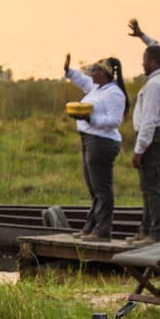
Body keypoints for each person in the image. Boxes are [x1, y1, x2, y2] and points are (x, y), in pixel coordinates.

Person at [63, 53, 127, 241]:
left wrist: (90, 118)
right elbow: (82, 81)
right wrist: (68, 71)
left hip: (102, 142)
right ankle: (91, 227)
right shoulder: (97, 88)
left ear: (104, 73)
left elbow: (115, 121)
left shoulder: (114, 93)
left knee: (102, 188)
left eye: (95, 70)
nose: (91, 73)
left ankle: (103, 230)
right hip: (89, 139)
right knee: (93, 188)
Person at [127, 18, 160, 243]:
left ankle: (155, 233)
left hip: (153, 138)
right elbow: (157, 44)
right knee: (148, 186)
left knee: (151, 188)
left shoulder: (154, 87)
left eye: (145, 61)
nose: (142, 64)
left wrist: (139, 150)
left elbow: (148, 122)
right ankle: (145, 231)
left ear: (155, 63)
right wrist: (142, 36)